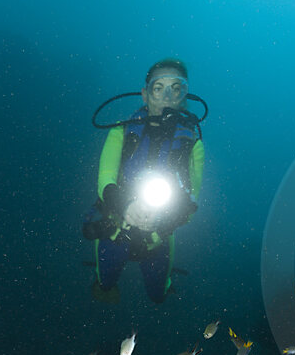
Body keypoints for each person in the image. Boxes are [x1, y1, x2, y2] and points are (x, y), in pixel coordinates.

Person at [83, 59, 205, 303]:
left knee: (158, 295)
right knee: (104, 286)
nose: (167, 96)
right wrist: (125, 207)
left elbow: (191, 201)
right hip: (114, 230)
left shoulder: (193, 146)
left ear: (185, 96)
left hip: (157, 240)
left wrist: (162, 221)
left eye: (176, 88)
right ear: (145, 95)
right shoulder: (120, 131)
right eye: (158, 88)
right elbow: (104, 179)